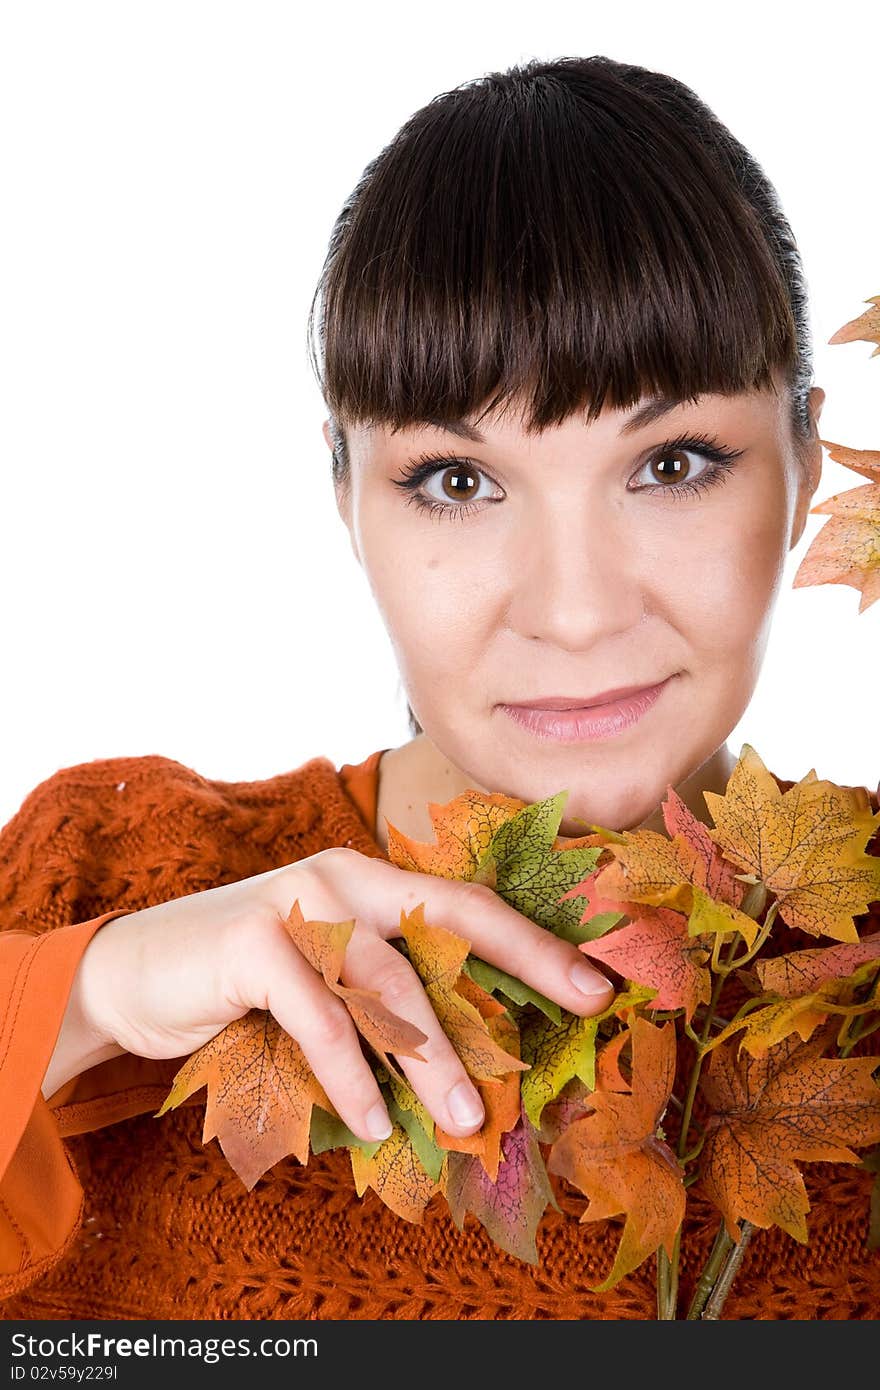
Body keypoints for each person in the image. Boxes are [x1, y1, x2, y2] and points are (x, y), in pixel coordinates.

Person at [1, 53, 877, 1322]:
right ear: (345, 494)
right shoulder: (107, 892)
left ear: (805, 458)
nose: (574, 612)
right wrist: (79, 999)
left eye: (673, 461)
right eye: (460, 483)